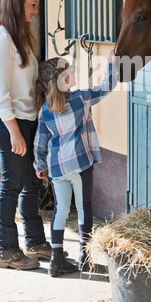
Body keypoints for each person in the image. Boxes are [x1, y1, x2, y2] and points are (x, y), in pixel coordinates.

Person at [33, 51, 117, 276]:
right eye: (69, 70)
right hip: (80, 164)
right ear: (64, 80)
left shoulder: (44, 110)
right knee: (83, 207)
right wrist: (111, 64)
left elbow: (40, 143)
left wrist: (39, 166)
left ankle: (56, 260)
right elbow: (106, 86)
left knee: (60, 210)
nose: (73, 72)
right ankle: (85, 257)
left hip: (58, 168)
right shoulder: (80, 98)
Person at [0, 0, 50, 270]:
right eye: (33, 4)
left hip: (28, 119)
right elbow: (1, 97)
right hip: (8, 121)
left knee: (33, 184)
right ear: (18, 3)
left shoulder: (22, 36)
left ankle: (35, 243)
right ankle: (6, 250)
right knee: (11, 186)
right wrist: (15, 133)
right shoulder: (2, 39)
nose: (36, 9)